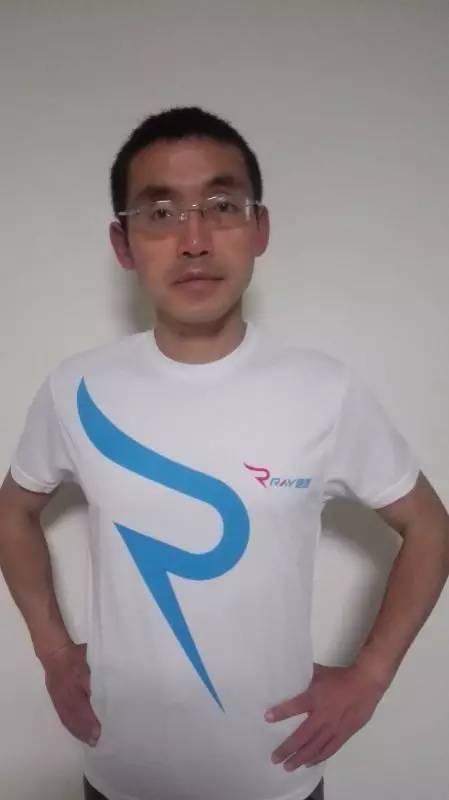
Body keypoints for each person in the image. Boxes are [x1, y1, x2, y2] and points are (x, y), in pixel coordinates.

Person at [0, 106, 448, 800]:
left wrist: (371, 674)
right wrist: (54, 651)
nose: (194, 240)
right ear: (123, 243)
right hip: (119, 775)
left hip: (276, 778)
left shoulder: (324, 391)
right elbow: (13, 512)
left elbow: (429, 527)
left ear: (259, 228)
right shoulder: (76, 389)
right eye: (160, 213)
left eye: (221, 206)